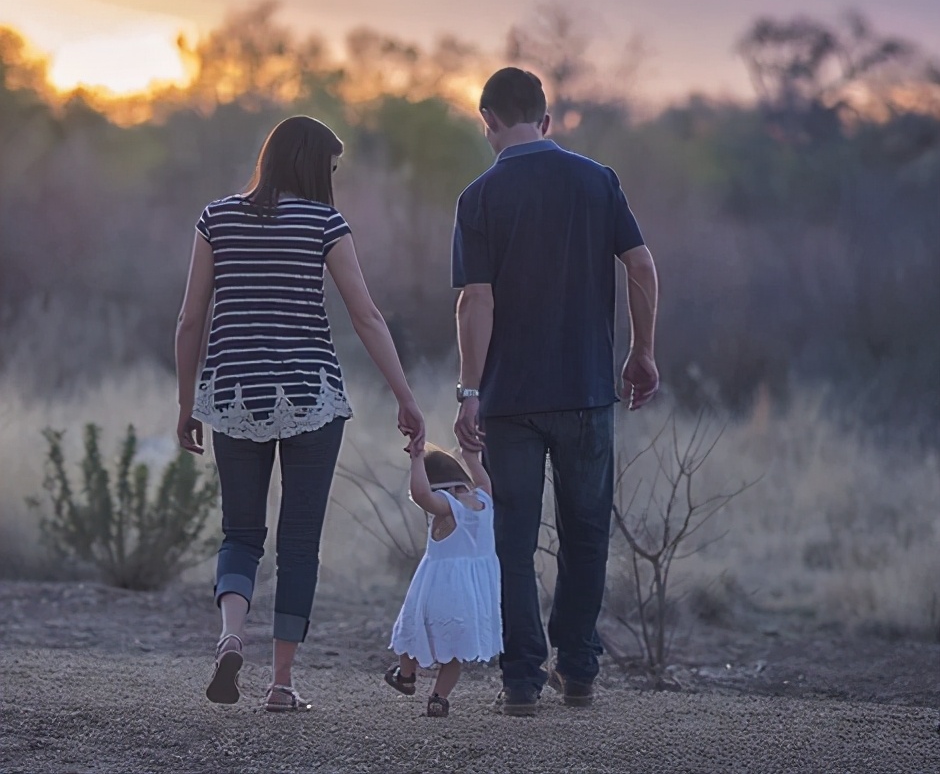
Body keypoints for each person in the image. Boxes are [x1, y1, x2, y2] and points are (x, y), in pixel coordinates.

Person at [175, 115, 425, 711]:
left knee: (240, 533)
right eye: (331, 167)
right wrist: (405, 395)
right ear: (312, 164)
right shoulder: (324, 223)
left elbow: (190, 320)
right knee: (299, 542)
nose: (333, 178)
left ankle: (231, 636)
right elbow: (366, 316)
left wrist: (187, 405)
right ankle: (281, 683)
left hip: (233, 396)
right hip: (311, 396)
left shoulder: (216, 219)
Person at [451, 68, 660, 716]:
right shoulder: (597, 181)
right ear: (546, 120)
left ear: (487, 121)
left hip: (510, 400)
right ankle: (578, 670)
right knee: (586, 532)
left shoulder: (479, 196)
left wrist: (468, 390)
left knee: (513, 539)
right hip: (587, 391)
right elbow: (642, 265)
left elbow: (474, 301)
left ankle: (520, 681)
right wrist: (642, 351)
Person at [384, 444, 502, 717]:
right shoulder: (484, 499)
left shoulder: (448, 507)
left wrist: (416, 460)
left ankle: (407, 675)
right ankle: (438, 698)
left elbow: (421, 494)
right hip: (473, 594)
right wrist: (471, 455)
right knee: (454, 653)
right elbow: (483, 479)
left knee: (411, 633)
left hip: (439, 589)